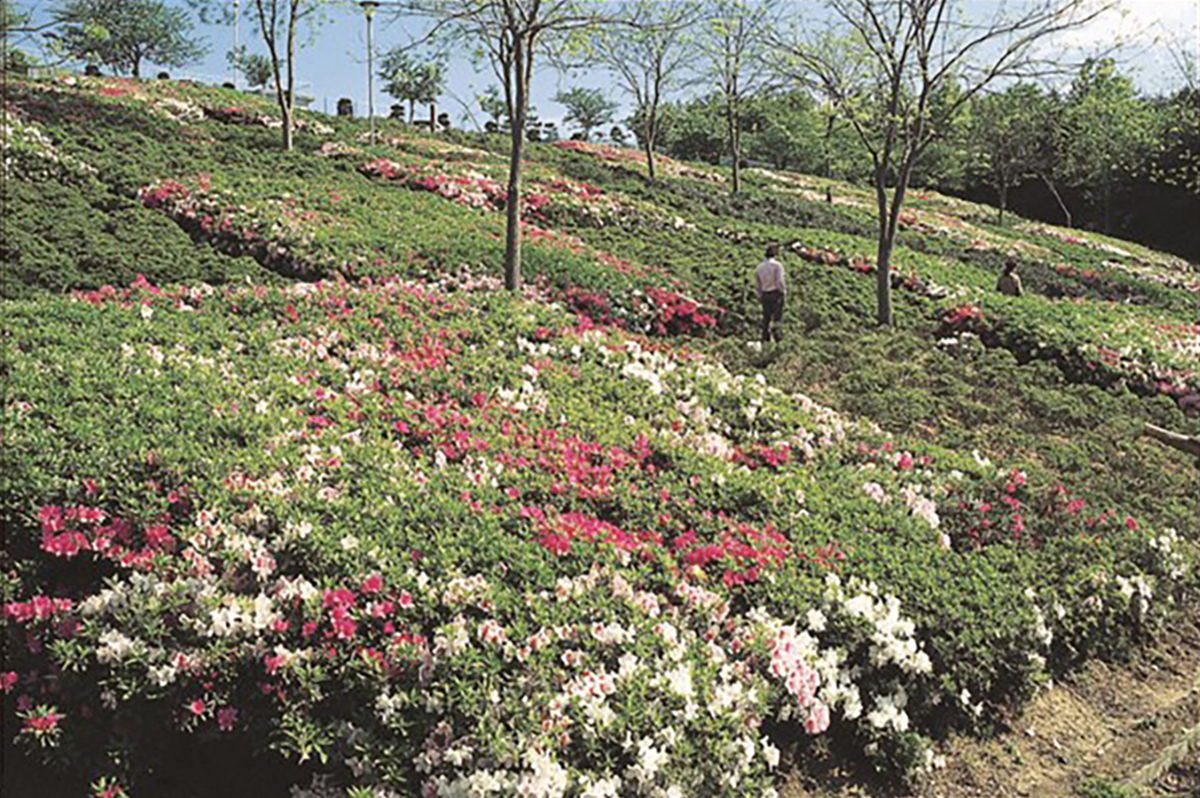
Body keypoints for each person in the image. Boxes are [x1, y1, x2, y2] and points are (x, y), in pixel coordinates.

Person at [755, 245, 786, 344]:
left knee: (766, 318)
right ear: (775, 254)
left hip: (765, 294)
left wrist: (760, 294)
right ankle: (778, 340)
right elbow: (779, 281)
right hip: (776, 293)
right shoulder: (777, 266)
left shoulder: (759, 267)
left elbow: (758, 283)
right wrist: (783, 291)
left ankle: (765, 340)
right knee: (777, 318)